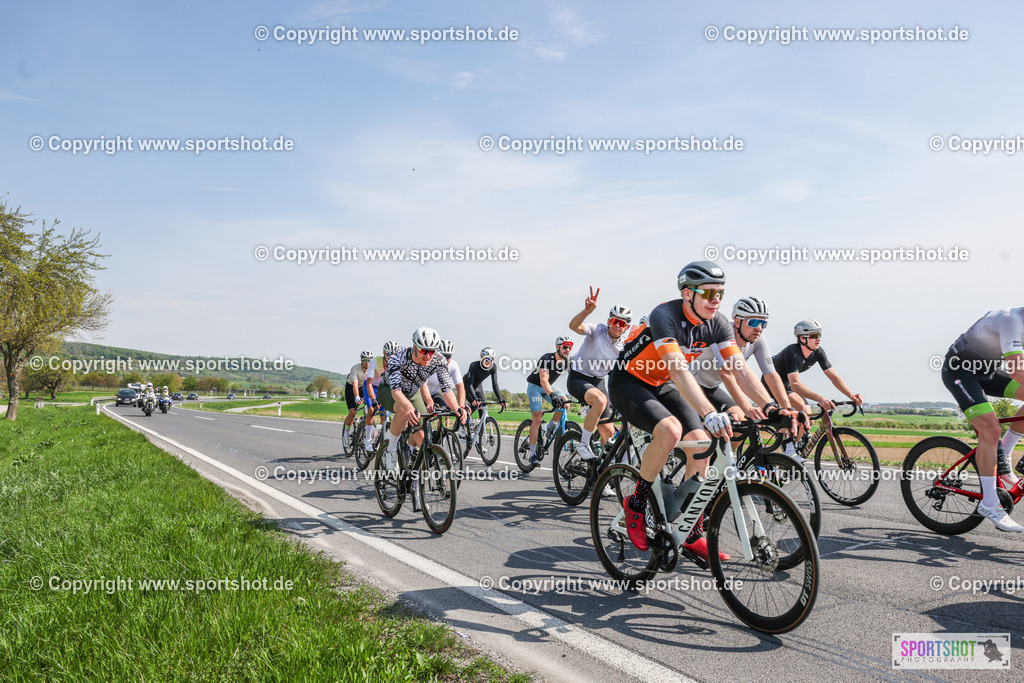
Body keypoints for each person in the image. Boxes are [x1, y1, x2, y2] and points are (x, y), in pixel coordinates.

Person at [609, 260, 774, 560]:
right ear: (688, 294)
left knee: (701, 444)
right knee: (671, 431)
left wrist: (771, 406)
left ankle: (690, 529)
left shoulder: (719, 323)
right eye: (709, 294)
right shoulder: (665, 315)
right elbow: (677, 369)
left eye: (720, 294)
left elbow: (740, 370)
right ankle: (636, 503)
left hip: (659, 384)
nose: (716, 301)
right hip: (628, 382)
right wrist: (709, 411)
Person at [940, 309, 1024, 532]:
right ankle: (989, 503)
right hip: (960, 372)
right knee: (990, 428)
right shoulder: (1011, 321)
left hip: (988, 372)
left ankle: (1003, 452)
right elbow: (1017, 370)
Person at [691, 296, 805, 437]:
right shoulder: (723, 333)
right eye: (754, 322)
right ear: (738, 322)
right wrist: (748, 408)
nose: (759, 328)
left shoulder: (758, 340)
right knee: (707, 434)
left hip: (712, 388)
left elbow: (771, 375)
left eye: (763, 324)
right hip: (692, 387)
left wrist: (787, 409)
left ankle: (722, 460)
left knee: (739, 429)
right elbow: (727, 375)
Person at [766, 319, 863, 454]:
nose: (818, 339)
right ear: (802, 338)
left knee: (808, 416)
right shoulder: (792, 352)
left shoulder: (818, 352)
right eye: (813, 336)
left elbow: (834, 377)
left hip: (787, 384)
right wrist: (820, 398)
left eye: (819, 335)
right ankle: (789, 450)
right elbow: (795, 384)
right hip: (772, 382)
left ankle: (795, 448)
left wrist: (851, 395)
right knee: (800, 406)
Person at [378, 328, 467, 470]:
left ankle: (415, 478)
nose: (428, 355)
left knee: (422, 436)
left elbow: (447, 389)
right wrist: (408, 408)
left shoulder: (439, 360)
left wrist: (457, 408)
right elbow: (396, 392)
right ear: (415, 348)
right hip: (389, 390)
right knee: (402, 410)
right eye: (424, 351)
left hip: (413, 393)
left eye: (432, 351)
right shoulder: (398, 358)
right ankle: (391, 450)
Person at [567, 286, 632, 459]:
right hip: (578, 378)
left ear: (627, 327)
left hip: (598, 382)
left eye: (622, 323)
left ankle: (601, 473)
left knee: (609, 432)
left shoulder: (623, 347)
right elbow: (574, 326)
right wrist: (586, 311)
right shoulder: (597, 330)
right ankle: (583, 445)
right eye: (615, 321)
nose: (617, 326)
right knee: (599, 400)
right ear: (609, 321)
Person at [525, 335, 574, 466]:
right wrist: (552, 395)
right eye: (565, 347)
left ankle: (551, 426)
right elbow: (543, 380)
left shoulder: (568, 360)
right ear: (557, 347)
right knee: (538, 417)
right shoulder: (546, 359)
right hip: (535, 387)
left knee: (566, 405)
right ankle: (532, 453)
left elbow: (574, 377)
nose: (567, 350)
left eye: (569, 347)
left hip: (549, 387)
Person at [463, 347, 507, 447]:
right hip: (467, 386)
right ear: (482, 358)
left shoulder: (493, 367)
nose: (489, 362)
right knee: (473, 406)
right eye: (487, 359)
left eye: (491, 359)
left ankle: (479, 440)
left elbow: (495, 385)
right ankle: (464, 426)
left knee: (482, 411)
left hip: (478, 387)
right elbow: (470, 385)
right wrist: (474, 399)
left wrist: (500, 399)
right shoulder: (474, 365)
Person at [344, 351, 373, 439]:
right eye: (365, 360)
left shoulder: (372, 369)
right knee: (353, 412)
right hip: (351, 387)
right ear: (361, 360)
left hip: (363, 387)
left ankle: (363, 423)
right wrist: (356, 396)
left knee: (370, 408)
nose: (367, 362)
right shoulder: (355, 368)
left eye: (369, 360)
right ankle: (346, 434)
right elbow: (355, 384)